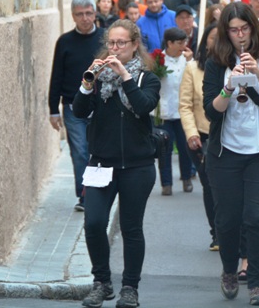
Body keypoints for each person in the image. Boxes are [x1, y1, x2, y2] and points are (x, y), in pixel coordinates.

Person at [202, 2, 259, 306]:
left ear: (253, 28)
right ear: (226, 32)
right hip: (226, 152)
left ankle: (258, 283)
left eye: (245, 28)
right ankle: (228, 270)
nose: (240, 35)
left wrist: (257, 75)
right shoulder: (215, 62)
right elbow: (211, 113)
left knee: (257, 217)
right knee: (227, 219)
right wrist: (228, 88)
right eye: (234, 30)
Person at [73, 19, 160, 308]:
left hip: (138, 165)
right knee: (94, 223)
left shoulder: (147, 78)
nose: (115, 48)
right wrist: (87, 84)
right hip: (102, 163)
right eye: (111, 43)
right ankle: (102, 282)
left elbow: (144, 106)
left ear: (134, 45)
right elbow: (79, 110)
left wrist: (124, 75)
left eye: (121, 43)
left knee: (131, 228)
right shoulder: (98, 79)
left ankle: (130, 288)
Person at [48, 0, 105, 212]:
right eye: (80, 14)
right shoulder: (64, 42)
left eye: (88, 13)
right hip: (73, 107)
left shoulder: (104, 39)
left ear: (94, 13)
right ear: (73, 16)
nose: (85, 18)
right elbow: (56, 76)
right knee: (80, 151)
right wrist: (53, 110)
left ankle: (99, 191)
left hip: (101, 105)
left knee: (97, 149)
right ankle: (84, 195)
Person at [180, 23, 220, 250]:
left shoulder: (235, 66)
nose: (216, 42)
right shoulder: (193, 69)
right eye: (212, 38)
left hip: (229, 135)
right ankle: (217, 233)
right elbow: (185, 106)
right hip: (202, 137)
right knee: (210, 185)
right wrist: (191, 133)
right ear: (205, 41)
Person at [156, 27, 194, 196]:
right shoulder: (158, 60)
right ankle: (166, 183)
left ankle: (186, 178)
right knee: (164, 149)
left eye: (184, 42)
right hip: (164, 111)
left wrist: (190, 61)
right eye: (179, 43)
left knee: (185, 148)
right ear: (169, 43)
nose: (182, 46)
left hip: (183, 112)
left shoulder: (188, 61)